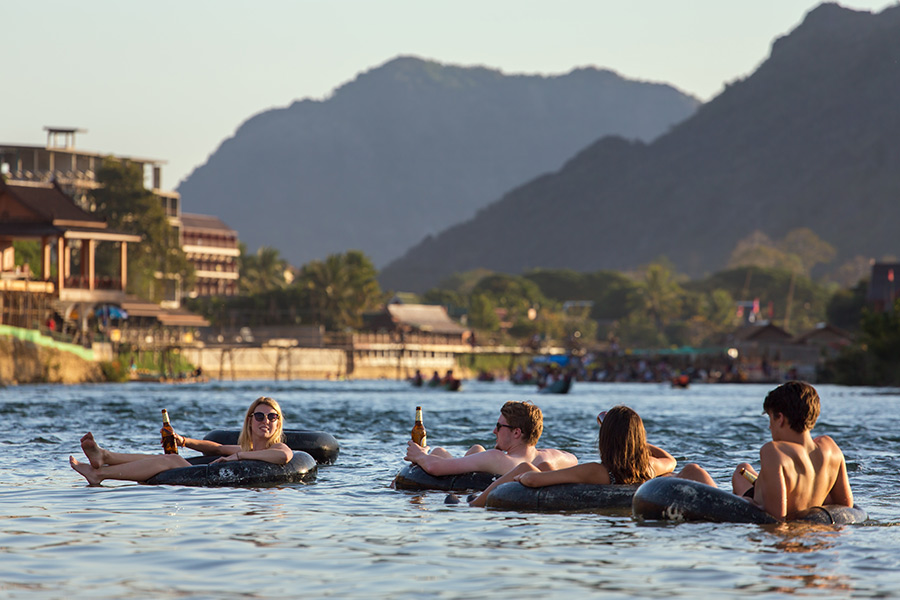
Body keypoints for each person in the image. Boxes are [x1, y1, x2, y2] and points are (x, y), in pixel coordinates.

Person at [677, 381, 853, 520]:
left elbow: (775, 518)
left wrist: (742, 502)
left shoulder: (774, 451)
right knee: (742, 470)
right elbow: (846, 507)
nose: (770, 426)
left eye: (770, 418)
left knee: (692, 471)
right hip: (805, 509)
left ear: (780, 418)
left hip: (779, 527)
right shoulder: (831, 449)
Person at [468, 405, 675, 507]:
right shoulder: (649, 467)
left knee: (525, 468)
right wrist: (637, 443)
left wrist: (523, 477)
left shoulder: (597, 471)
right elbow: (671, 461)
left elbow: (533, 478)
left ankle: (474, 504)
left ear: (606, 440)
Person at [70, 397, 293, 486]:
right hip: (212, 481)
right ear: (250, 421)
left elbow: (284, 456)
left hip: (211, 487)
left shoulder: (275, 448)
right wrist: (183, 440)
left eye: (272, 417)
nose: (266, 421)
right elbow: (216, 447)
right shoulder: (246, 447)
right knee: (167, 458)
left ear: (278, 423)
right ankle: (106, 457)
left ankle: (100, 473)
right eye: (260, 416)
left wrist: (238, 456)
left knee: (173, 460)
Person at [404, 400, 577, 479]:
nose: (494, 431)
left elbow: (434, 467)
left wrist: (419, 454)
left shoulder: (497, 458)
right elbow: (574, 459)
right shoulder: (550, 456)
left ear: (517, 433)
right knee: (475, 448)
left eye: (500, 426)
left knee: (436, 452)